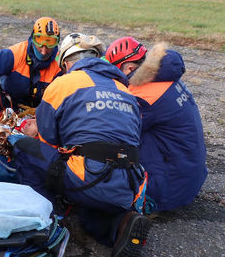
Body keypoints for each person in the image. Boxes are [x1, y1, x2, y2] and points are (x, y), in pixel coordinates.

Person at [12, 33, 151, 257]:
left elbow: (49, 140)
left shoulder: (64, 83)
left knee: (25, 148)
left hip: (88, 175)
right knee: (89, 211)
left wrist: (31, 131)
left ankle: (45, 220)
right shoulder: (126, 92)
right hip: (127, 186)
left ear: (66, 62)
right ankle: (121, 225)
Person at [106, 36, 207, 213]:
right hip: (190, 174)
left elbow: (114, 131)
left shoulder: (144, 94)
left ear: (129, 68)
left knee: (113, 148)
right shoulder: (162, 76)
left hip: (170, 190)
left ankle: (144, 197)